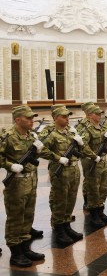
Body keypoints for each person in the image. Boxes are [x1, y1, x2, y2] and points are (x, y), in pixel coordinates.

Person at [0, 106, 51, 267]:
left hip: (31, 180)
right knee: (16, 217)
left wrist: (39, 150)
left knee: (28, 215)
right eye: (28, 118)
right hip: (16, 182)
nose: (31, 120)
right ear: (17, 119)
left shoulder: (30, 135)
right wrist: (10, 166)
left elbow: (36, 156)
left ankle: (25, 247)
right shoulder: (8, 136)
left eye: (32, 118)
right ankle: (16, 252)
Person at [43, 106, 97, 246]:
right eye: (64, 116)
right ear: (55, 118)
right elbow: (41, 149)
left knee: (71, 198)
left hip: (74, 170)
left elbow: (81, 148)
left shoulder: (70, 131)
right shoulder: (50, 132)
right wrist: (57, 158)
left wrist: (83, 146)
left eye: (68, 116)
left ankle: (67, 224)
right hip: (60, 171)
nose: (67, 119)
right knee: (60, 199)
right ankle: (59, 228)